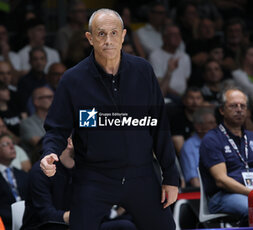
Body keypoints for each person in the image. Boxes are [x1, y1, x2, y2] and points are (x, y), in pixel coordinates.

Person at [40, 8, 179, 230]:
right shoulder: (73, 79)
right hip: (94, 177)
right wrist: (50, 153)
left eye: (114, 33)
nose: (108, 40)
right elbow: (56, 128)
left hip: (141, 174)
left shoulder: (143, 71)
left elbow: (160, 126)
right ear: (90, 38)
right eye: (101, 34)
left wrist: (171, 176)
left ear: (124, 35)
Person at [199, 88, 253, 225]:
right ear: (222, 110)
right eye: (233, 105)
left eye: (243, 106)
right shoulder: (212, 139)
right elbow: (221, 180)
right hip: (223, 196)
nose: (239, 109)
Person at [23, 138, 137, 230]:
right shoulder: (41, 171)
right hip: (45, 226)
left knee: (132, 221)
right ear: (70, 142)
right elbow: (45, 215)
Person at [0, 133, 29, 230]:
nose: (12, 146)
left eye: (12, 143)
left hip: (27, 222)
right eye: (6, 144)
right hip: (2, 223)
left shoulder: (23, 174)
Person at [149, 24, 191, 97]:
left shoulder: (185, 56)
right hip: (165, 95)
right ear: (164, 38)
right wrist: (178, 95)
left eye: (178, 34)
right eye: (173, 35)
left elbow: (186, 79)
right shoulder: (155, 55)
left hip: (183, 96)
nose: (177, 37)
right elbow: (158, 82)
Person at [180, 107, 216, 187]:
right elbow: (194, 181)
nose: (215, 126)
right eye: (210, 123)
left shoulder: (217, 142)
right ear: (198, 127)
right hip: (203, 193)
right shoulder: (189, 146)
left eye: (214, 122)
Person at [20, 86, 54, 154]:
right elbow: (40, 144)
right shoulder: (27, 123)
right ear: (36, 102)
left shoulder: (59, 120)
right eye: (49, 97)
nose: (53, 99)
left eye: (53, 96)